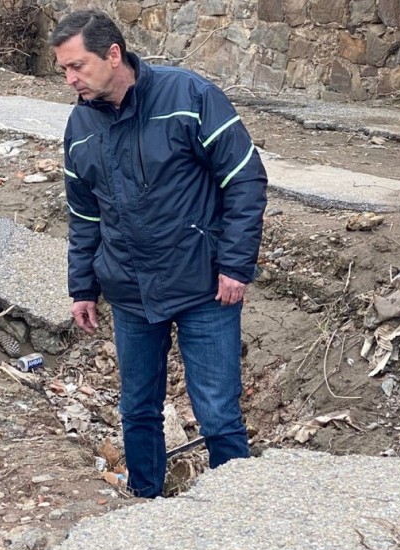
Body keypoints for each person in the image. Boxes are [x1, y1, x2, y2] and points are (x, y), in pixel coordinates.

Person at [50, 9, 268, 498]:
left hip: (203, 287)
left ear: (113, 54)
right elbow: (84, 215)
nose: (70, 80)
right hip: (129, 292)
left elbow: (244, 180)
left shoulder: (190, 96)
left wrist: (235, 264)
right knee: (138, 407)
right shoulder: (80, 125)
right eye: (64, 69)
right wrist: (82, 286)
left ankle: (240, 513)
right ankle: (146, 503)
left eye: (77, 66)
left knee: (216, 409)